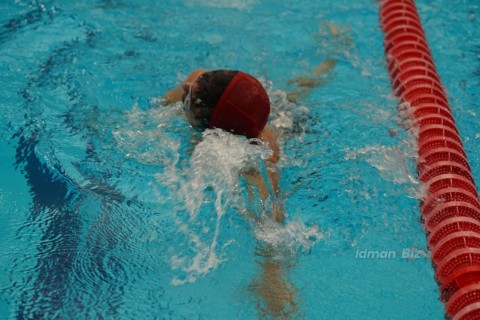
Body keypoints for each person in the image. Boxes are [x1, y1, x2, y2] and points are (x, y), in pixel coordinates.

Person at [164, 69, 284, 222]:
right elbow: (164, 102)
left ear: (213, 128)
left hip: (286, 121)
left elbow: (272, 219)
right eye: (202, 79)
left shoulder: (262, 158)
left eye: (192, 99)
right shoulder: (199, 79)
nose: (186, 86)